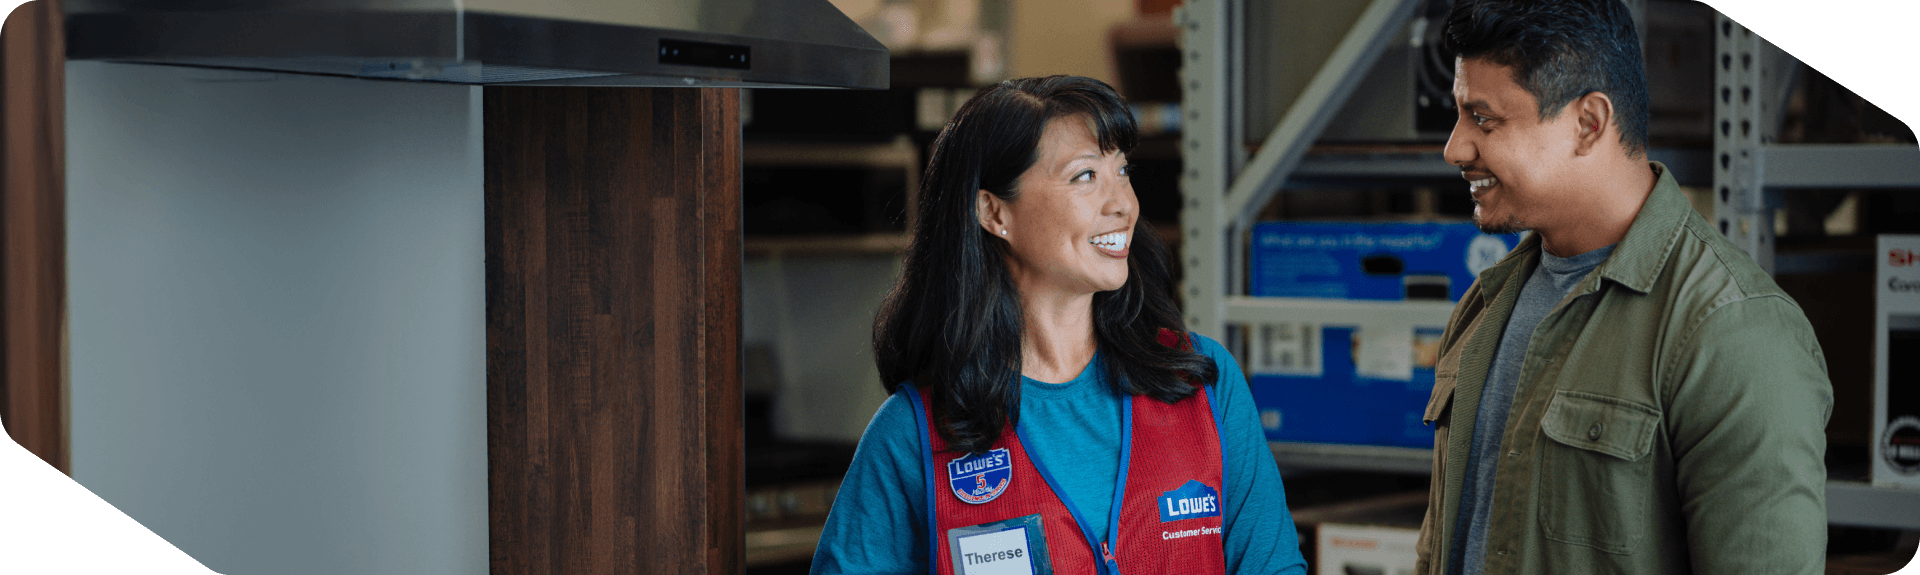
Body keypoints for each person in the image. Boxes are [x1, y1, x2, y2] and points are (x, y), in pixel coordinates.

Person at [810, 75, 1307, 575]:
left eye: (1122, 171)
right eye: (1085, 176)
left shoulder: (1202, 385)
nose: (1123, 204)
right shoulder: (912, 433)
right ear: (993, 211)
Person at [1415, 1, 1832, 574]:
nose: (1455, 148)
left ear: (1589, 123)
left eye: (1484, 119)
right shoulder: (1486, 304)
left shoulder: (1735, 330)